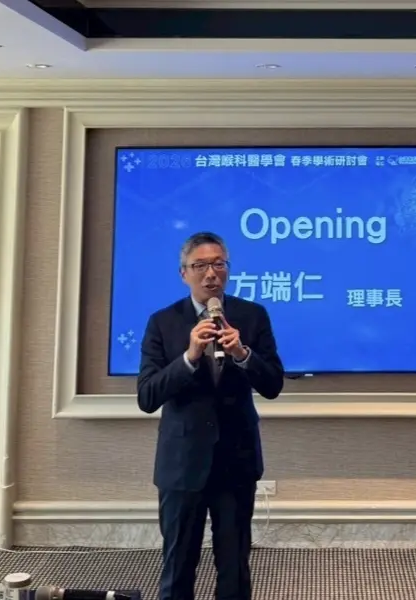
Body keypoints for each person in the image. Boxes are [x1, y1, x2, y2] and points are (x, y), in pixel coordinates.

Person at [137, 231, 285, 600]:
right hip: (182, 463)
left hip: (236, 460)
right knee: (178, 564)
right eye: (200, 265)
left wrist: (243, 355)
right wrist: (188, 357)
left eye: (219, 264)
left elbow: (272, 384)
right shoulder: (163, 322)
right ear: (183, 273)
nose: (211, 274)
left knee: (234, 565)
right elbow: (147, 396)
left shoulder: (252, 316)